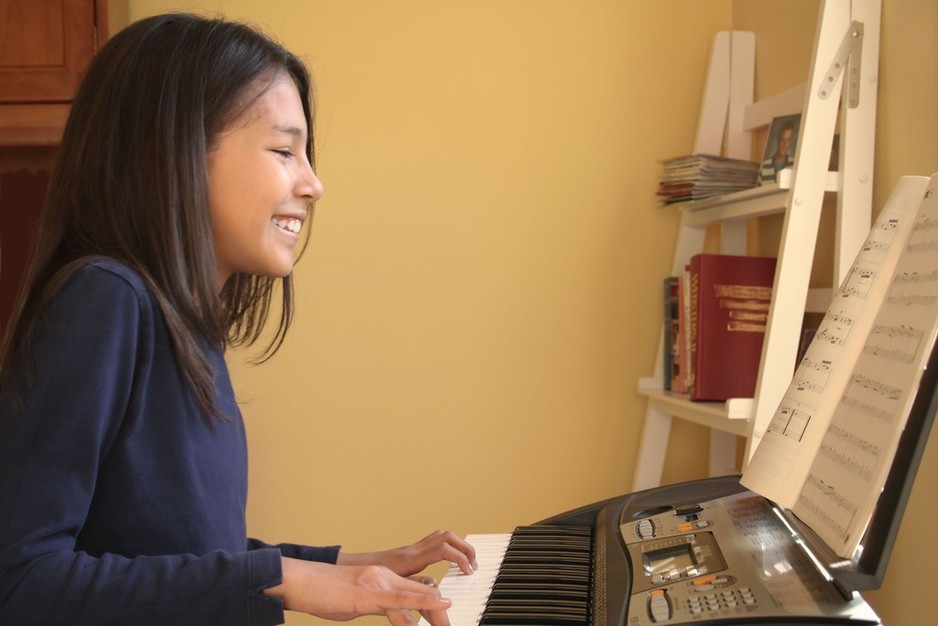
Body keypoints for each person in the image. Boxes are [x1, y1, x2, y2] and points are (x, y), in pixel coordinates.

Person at [0, 13, 476, 626]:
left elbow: (175, 561)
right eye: (284, 151)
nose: (313, 184)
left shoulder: (182, 324)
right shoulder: (105, 298)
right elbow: (21, 581)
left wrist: (344, 565)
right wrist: (283, 577)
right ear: (171, 153)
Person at [759, 118, 796, 183]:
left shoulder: (794, 164)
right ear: (778, 140)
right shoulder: (764, 166)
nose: (785, 144)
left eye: (788, 140)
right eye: (782, 139)